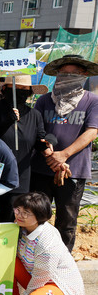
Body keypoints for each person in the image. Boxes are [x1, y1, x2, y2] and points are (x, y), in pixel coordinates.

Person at [30, 54, 98, 251]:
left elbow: (92, 131)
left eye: (73, 73)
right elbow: (37, 131)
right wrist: (51, 155)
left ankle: (62, 259)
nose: (67, 77)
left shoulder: (92, 101)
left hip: (73, 170)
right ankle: (34, 255)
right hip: (42, 168)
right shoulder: (44, 100)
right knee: (37, 216)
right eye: (63, 73)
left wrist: (64, 155)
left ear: (84, 75)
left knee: (67, 220)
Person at [12, 192, 86, 295]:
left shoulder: (47, 242)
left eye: (26, 213)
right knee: (8, 261)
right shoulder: (23, 228)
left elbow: (41, 277)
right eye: (18, 210)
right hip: (37, 277)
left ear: (40, 216)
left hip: (57, 284)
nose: (19, 215)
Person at [0, 76, 49, 222]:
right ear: (4, 88)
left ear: (30, 92)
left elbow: (40, 139)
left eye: (24, 89)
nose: (20, 92)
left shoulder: (34, 115)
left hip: (19, 175)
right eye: (16, 88)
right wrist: (6, 121)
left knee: (10, 219)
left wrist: (49, 143)